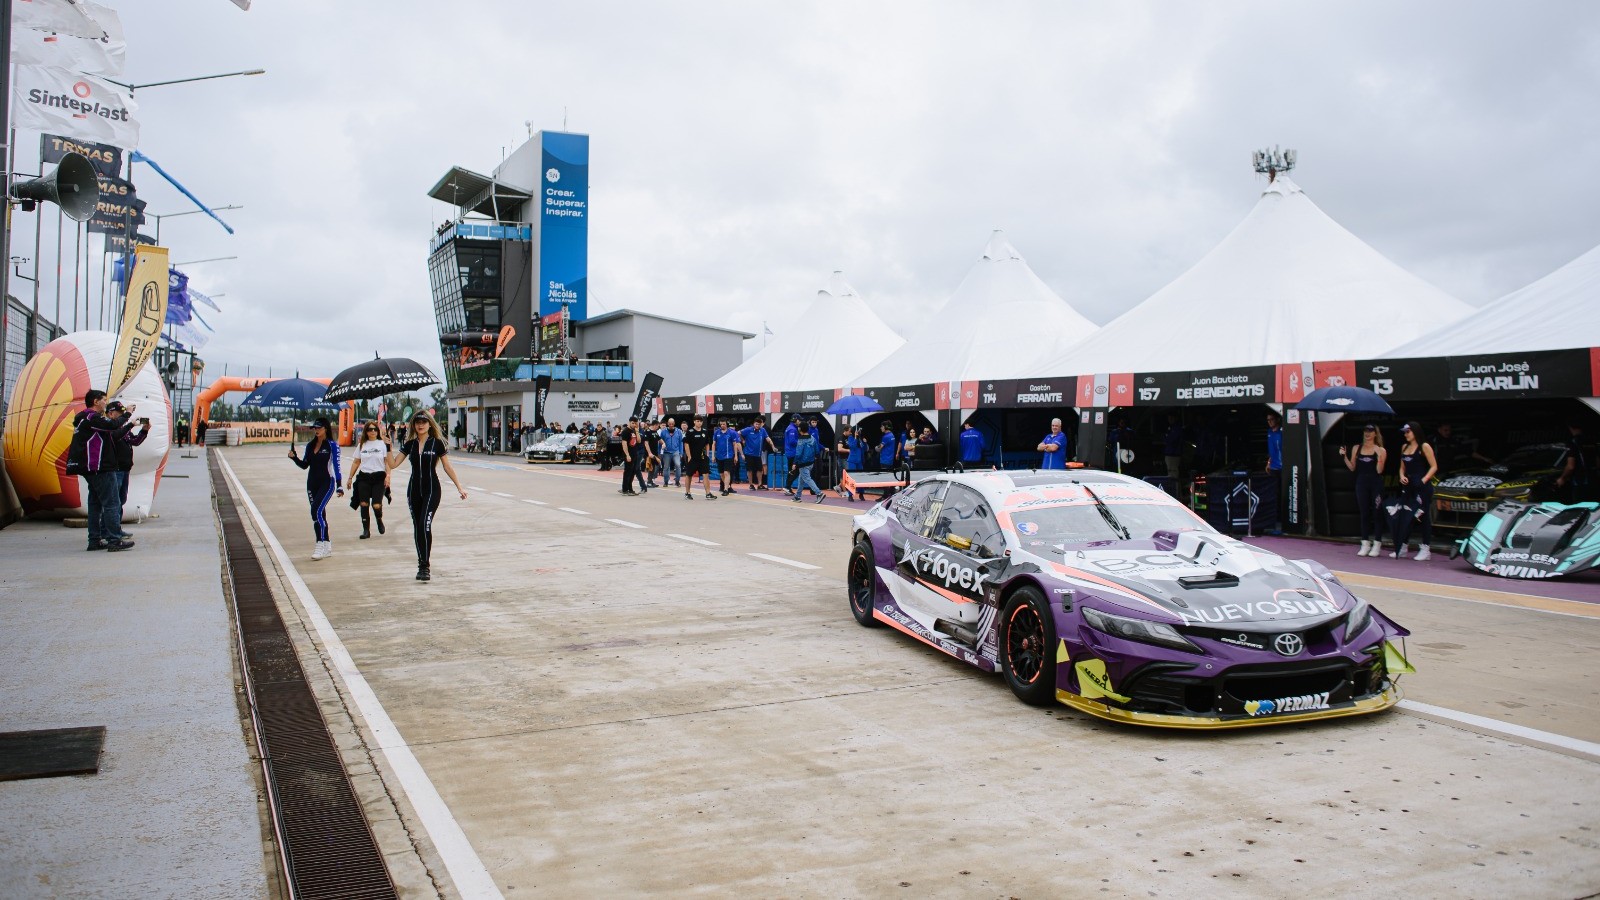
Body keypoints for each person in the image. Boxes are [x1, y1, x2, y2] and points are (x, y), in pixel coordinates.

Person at [386, 412, 468, 581]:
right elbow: (393, 464)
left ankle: (425, 566)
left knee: (425, 524)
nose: (420, 425)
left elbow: (447, 467)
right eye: (417, 422)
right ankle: (421, 563)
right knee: (418, 526)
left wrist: (459, 487)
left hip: (432, 490)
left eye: (424, 422)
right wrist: (387, 447)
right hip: (414, 490)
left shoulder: (437, 444)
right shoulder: (409, 444)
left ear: (430, 424)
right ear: (414, 425)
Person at [73, 390, 137, 552]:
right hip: (100, 467)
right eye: (103, 400)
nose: (105, 403)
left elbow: (114, 432)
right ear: (96, 402)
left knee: (95, 504)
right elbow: (113, 425)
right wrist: (128, 414)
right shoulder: (92, 418)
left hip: (91, 468)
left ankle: (94, 540)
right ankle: (114, 539)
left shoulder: (83, 418)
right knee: (112, 503)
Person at [288, 418, 344, 560]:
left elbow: (337, 467)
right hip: (312, 484)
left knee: (315, 511)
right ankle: (327, 544)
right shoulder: (310, 445)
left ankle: (319, 544)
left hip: (327, 483)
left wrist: (339, 486)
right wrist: (294, 458)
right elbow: (305, 465)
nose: (316, 430)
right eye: (314, 428)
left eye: (319, 427)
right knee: (320, 515)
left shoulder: (332, 446)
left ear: (326, 428)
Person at [1340, 424, 1387, 557]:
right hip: (1361, 483)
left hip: (1376, 484)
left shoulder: (1381, 450)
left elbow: (1379, 471)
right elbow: (1352, 468)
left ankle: (1377, 543)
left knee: (1377, 513)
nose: (1368, 433)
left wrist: (1379, 458)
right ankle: (1365, 543)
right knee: (1364, 513)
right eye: (1366, 430)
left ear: (1375, 434)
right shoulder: (1357, 448)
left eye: (1370, 431)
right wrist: (1344, 456)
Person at [1394, 421, 1438, 560]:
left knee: (1422, 516)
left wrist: (1424, 480)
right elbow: (1402, 467)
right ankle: (1403, 547)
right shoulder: (1404, 447)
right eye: (1404, 432)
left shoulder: (1424, 446)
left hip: (1422, 486)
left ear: (1415, 431)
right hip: (1409, 485)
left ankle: (1426, 549)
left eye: (1408, 431)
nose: (1406, 434)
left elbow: (1434, 466)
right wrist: (1401, 476)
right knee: (1406, 515)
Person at [105, 401, 151, 525]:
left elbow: (134, 441)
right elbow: (116, 437)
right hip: (116, 469)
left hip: (124, 468)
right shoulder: (110, 428)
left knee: (121, 499)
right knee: (115, 501)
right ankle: (111, 531)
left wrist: (144, 430)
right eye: (120, 413)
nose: (123, 416)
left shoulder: (122, 428)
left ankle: (116, 528)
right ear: (110, 414)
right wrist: (130, 424)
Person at [346, 421, 391, 540]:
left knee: (376, 504)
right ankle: (366, 530)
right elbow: (356, 462)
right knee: (363, 503)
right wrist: (350, 478)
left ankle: (379, 519)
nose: (372, 431)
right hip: (364, 477)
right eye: (370, 429)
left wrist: (388, 476)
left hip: (379, 477)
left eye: (375, 429)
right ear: (366, 431)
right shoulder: (362, 445)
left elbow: (387, 462)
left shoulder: (382, 444)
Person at [682, 415, 717, 499]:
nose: (699, 423)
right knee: (689, 475)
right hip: (692, 458)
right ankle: (687, 492)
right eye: (697, 421)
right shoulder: (690, 431)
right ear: (694, 422)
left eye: (700, 421)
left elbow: (707, 443)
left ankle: (708, 493)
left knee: (706, 475)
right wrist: (689, 456)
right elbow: (686, 444)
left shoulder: (705, 431)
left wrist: (708, 455)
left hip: (702, 457)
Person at [1555, 421, 1590, 503]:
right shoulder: (1590, 441)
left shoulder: (1573, 443)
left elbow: (1570, 466)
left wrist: (1562, 478)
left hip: (1579, 482)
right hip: (1594, 481)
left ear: (1570, 428)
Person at [790, 423, 825, 503]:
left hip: (803, 463)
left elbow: (798, 453)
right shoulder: (812, 438)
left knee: (807, 478)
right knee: (801, 479)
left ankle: (819, 493)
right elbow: (817, 450)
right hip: (811, 462)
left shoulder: (801, 440)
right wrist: (815, 457)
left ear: (800, 429)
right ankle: (797, 496)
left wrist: (794, 463)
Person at [740, 417, 773, 490]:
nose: (757, 426)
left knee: (760, 469)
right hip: (748, 453)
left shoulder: (763, 430)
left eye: (759, 424)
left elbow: (768, 439)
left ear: (761, 424)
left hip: (758, 454)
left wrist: (773, 446)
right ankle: (751, 485)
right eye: (756, 424)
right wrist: (743, 440)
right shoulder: (748, 430)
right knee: (749, 470)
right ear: (754, 424)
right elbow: (738, 433)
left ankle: (760, 484)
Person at [838, 425, 867, 500]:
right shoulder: (850, 438)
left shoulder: (860, 439)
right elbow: (852, 446)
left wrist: (865, 443)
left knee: (861, 478)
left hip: (859, 461)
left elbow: (864, 448)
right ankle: (850, 495)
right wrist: (855, 437)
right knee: (851, 478)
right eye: (858, 431)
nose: (859, 432)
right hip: (852, 461)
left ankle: (861, 493)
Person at [713, 419, 740, 495]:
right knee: (721, 474)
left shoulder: (731, 433)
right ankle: (727, 487)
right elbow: (713, 444)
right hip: (719, 456)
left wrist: (735, 456)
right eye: (721, 424)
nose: (722, 425)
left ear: (726, 424)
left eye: (723, 424)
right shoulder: (716, 433)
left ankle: (725, 490)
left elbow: (735, 444)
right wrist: (713, 456)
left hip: (728, 456)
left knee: (726, 473)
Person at [619, 421, 643, 495]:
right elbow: (624, 444)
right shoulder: (626, 431)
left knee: (633, 472)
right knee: (628, 472)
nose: (634, 425)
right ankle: (625, 489)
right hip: (629, 454)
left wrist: (637, 431)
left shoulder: (634, 431)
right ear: (629, 422)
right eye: (633, 423)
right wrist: (627, 455)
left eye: (636, 423)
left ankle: (630, 488)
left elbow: (639, 441)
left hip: (635, 453)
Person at [660, 418, 685, 488]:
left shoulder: (678, 431)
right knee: (666, 467)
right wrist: (660, 452)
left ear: (674, 424)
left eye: (672, 424)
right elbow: (660, 441)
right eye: (669, 424)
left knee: (678, 465)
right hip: (666, 452)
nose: (671, 425)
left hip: (676, 452)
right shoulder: (663, 431)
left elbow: (681, 442)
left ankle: (677, 481)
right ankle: (665, 481)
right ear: (668, 424)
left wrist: (681, 453)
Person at [1163, 413, 1184, 482]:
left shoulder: (1177, 428)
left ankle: (1175, 490)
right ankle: (1172, 488)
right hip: (1169, 453)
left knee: (1173, 473)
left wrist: (1167, 438)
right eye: (1169, 418)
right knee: (1170, 472)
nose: (1170, 420)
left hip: (1174, 454)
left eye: (1171, 418)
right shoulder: (1170, 428)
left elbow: (1171, 440)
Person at [783, 416, 801, 495]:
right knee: (795, 471)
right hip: (792, 453)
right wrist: (801, 442)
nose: (800, 422)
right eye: (799, 420)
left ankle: (788, 487)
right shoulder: (792, 429)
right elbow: (792, 442)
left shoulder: (790, 427)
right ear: (795, 420)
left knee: (791, 471)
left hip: (790, 452)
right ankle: (787, 487)